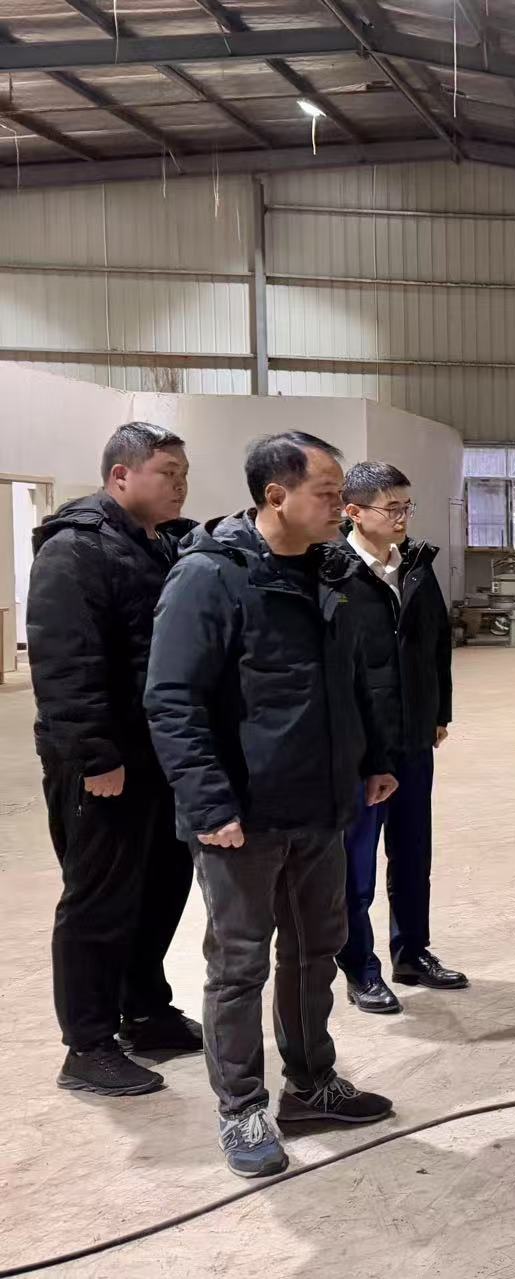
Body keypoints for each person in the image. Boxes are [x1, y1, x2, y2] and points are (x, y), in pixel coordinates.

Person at [146, 432, 399, 1179]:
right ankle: (241, 1107)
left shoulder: (330, 569)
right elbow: (172, 699)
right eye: (327, 493)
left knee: (316, 952)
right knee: (239, 965)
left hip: (321, 805)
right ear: (276, 496)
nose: (340, 506)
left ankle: (311, 1083)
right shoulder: (210, 576)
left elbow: (351, 677)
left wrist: (372, 760)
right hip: (242, 817)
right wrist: (208, 803)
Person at [28, 422, 202, 1097]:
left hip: (158, 755)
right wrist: (96, 756)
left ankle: (145, 1011)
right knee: (99, 900)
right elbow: (65, 666)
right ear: (120, 475)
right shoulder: (74, 550)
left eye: (184, 473)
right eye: (167, 472)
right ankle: (88, 1044)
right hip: (105, 763)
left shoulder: (160, 544)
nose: (179, 485)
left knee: (160, 885)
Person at [328, 462, 463, 1016]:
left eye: (408, 506)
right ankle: (359, 966)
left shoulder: (417, 567)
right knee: (356, 864)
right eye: (392, 508)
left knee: (412, 852)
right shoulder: (334, 572)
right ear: (353, 512)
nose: (403, 517)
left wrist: (439, 711)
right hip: (362, 746)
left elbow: (437, 644)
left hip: (412, 738)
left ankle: (412, 952)